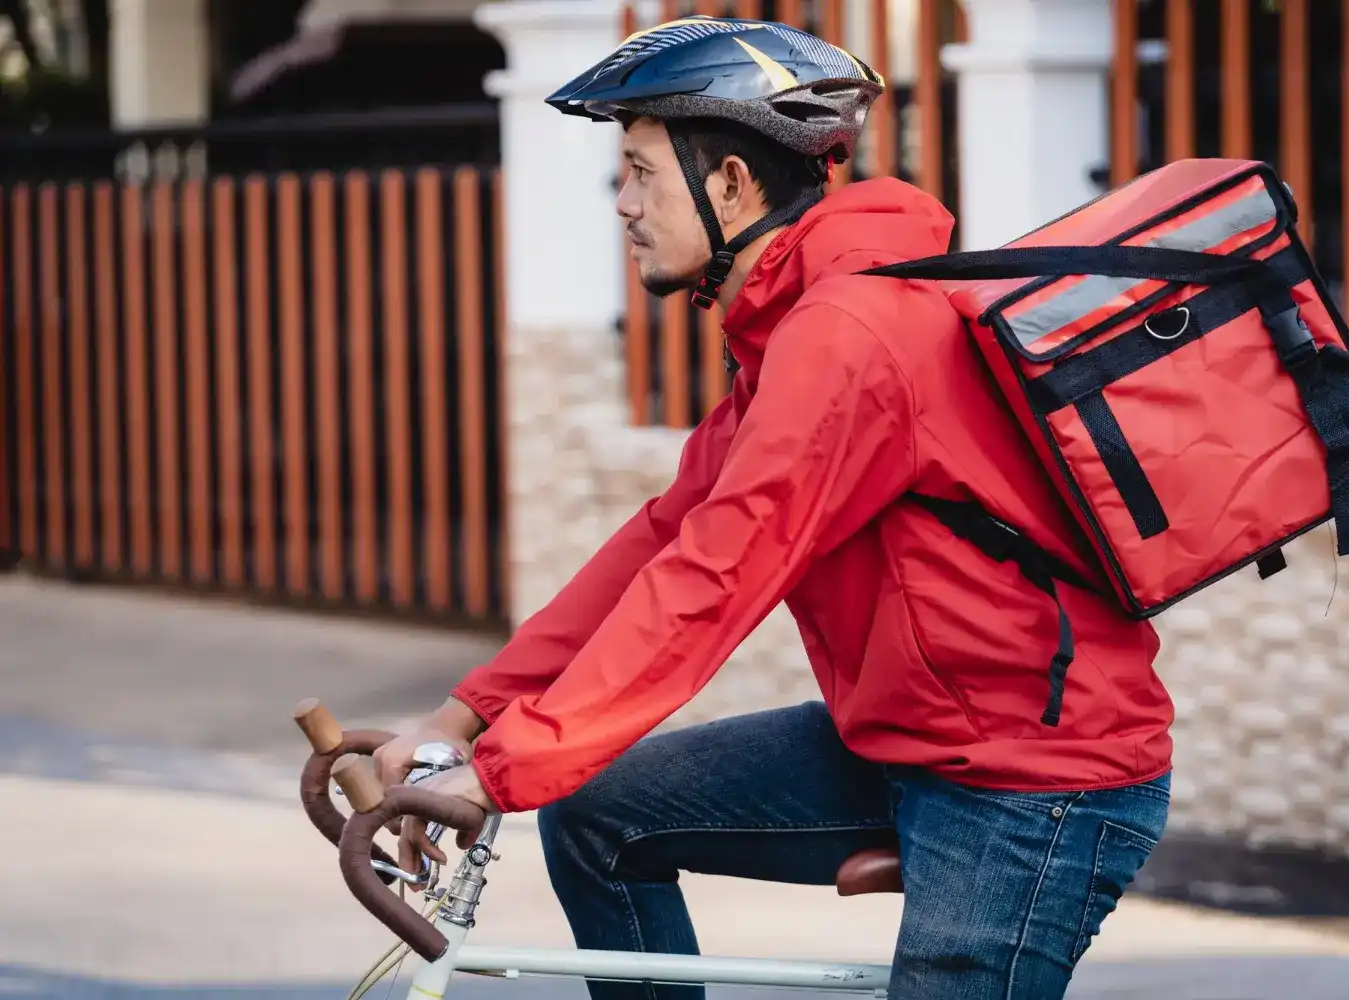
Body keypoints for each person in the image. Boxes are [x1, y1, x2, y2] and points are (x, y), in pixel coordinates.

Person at [373, 15, 1174, 1000]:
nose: (622, 203)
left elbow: (713, 582)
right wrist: (466, 716)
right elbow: (664, 540)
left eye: (640, 171)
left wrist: (501, 772)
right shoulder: (797, 327)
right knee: (599, 816)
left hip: (1026, 780)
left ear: (732, 186)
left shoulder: (848, 333)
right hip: (908, 736)